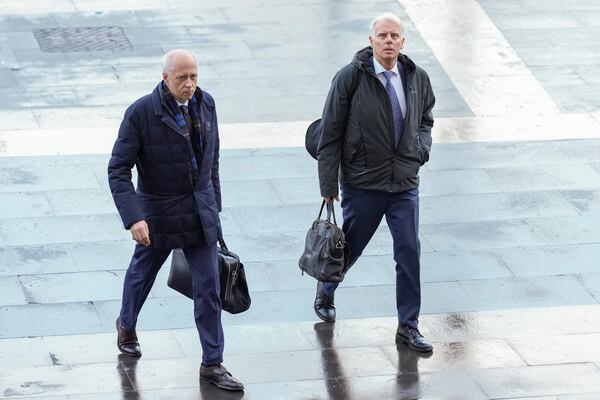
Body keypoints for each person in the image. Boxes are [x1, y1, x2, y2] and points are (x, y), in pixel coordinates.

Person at [108, 49, 244, 391]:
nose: (190, 84)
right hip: (158, 215)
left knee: (209, 290)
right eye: (182, 77)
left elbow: (212, 158)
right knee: (142, 275)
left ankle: (212, 362)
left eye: (195, 76)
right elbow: (118, 169)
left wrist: (215, 207)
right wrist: (134, 218)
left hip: (200, 213)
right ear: (165, 77)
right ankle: (126, 324)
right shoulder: (141, 113)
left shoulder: (206, 104)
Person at [315, 13, 435, 353]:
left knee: (409, 252)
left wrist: (420, 149)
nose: (388, 41)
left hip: (404, 184)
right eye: (382, 35)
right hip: (363, 182)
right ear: (371, 41)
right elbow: (330, 132)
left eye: (394, 36)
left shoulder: (416, 77)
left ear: (402, 41)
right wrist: (328, 184)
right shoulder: (350, 78)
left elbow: (426, 117)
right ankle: (327, 285)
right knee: (349, 246)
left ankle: (408, 327)